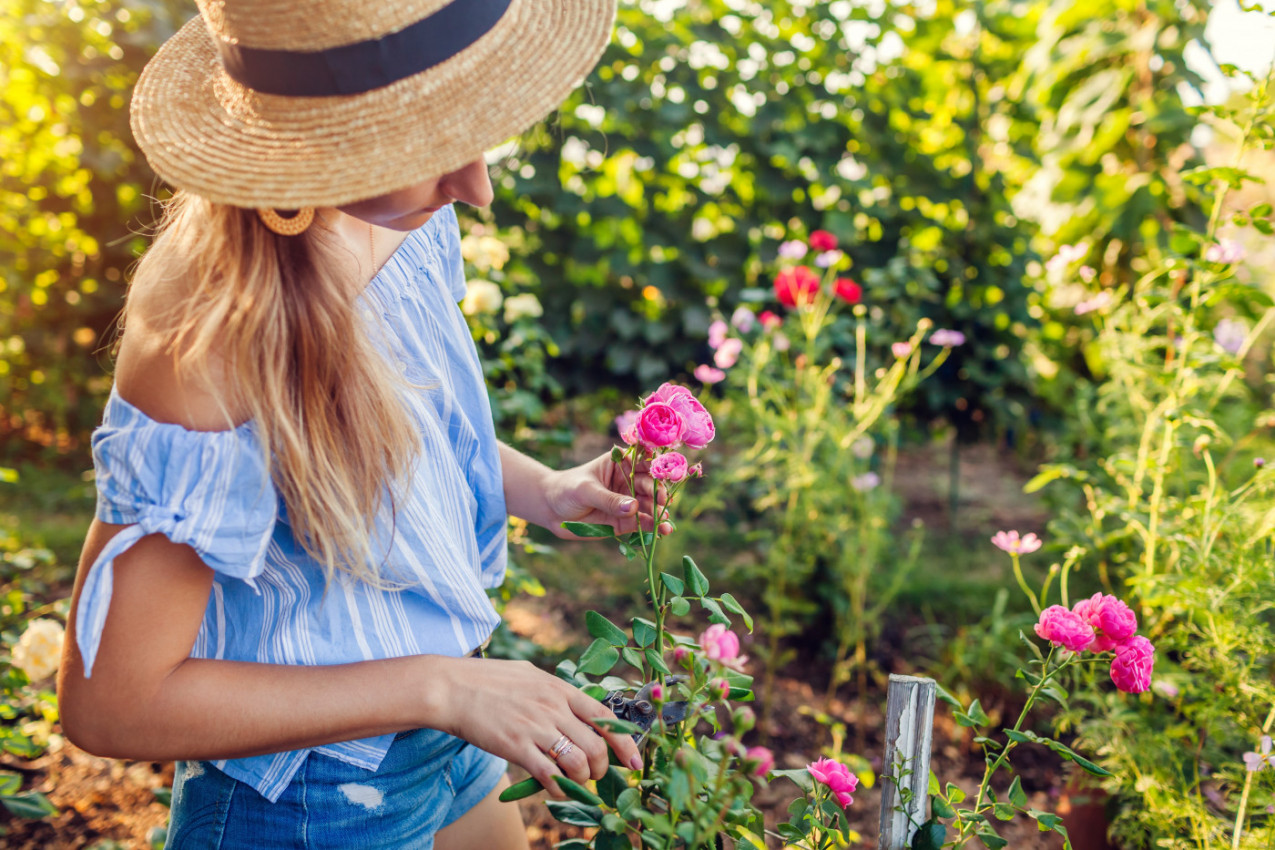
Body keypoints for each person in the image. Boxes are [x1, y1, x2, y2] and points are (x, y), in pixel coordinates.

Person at [56, 1, 657, 847]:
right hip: (310, 796)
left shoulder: (397, 210)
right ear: (312, 152)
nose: (474, 187)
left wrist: (546, 490)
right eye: (428, 148)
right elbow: (111, 704)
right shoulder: (209, 350)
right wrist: (437, 688)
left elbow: (400, 423)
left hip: (447, 731)